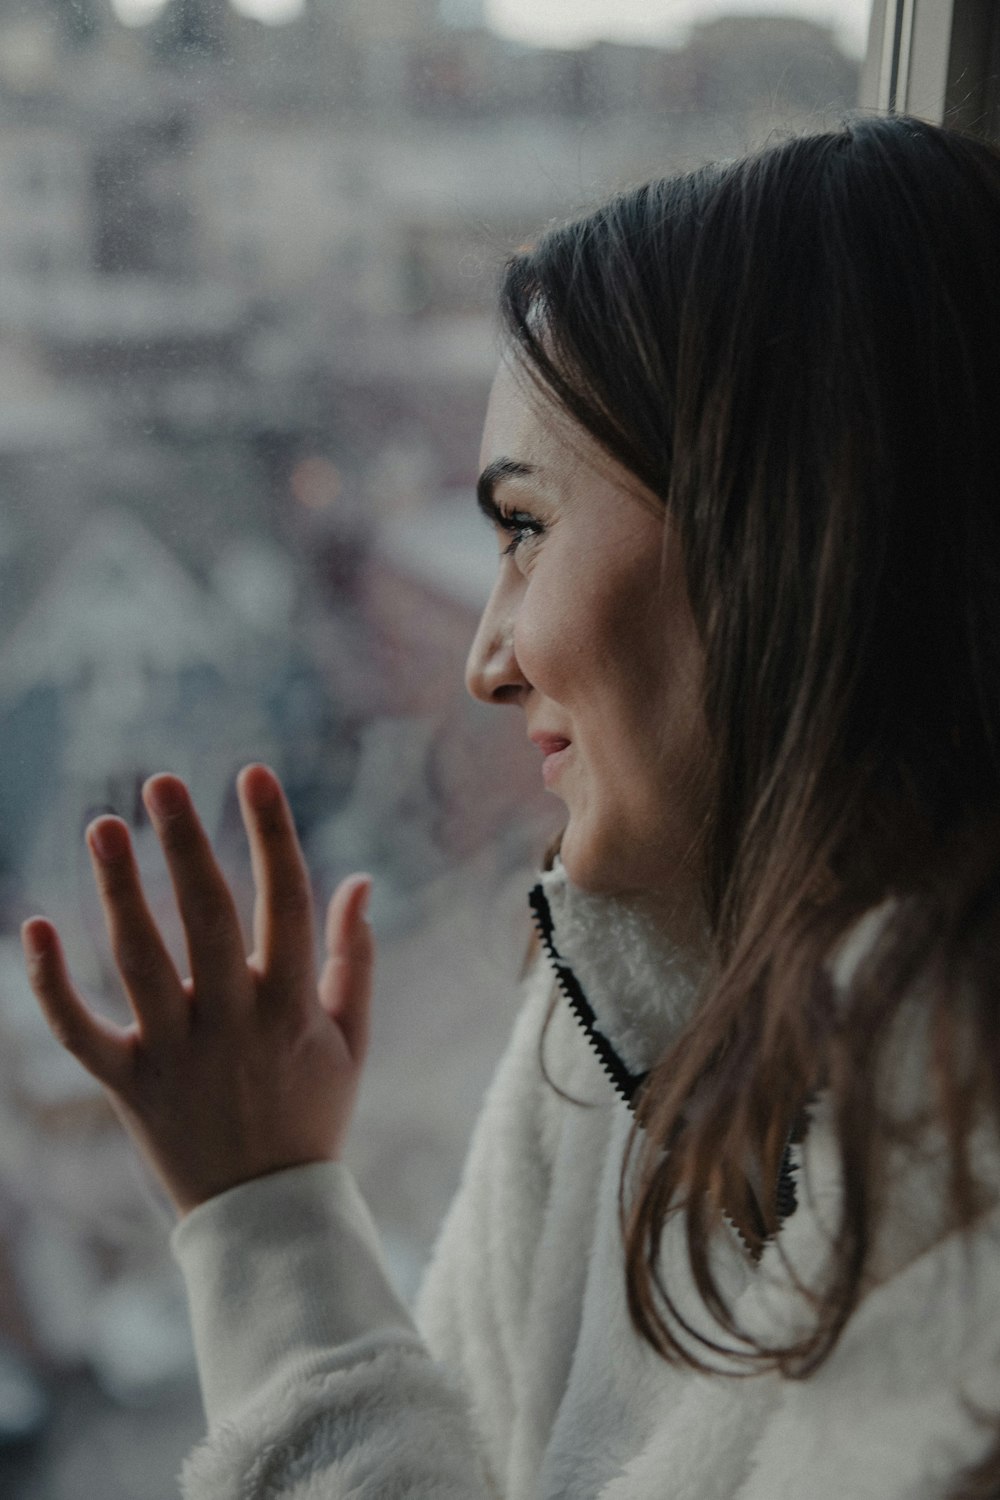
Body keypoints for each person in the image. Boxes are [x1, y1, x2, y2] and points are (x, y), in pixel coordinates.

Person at [19, 112, 1000, 1498]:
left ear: (778, 531)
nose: (485, 659)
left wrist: (264, 1224)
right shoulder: (607, 1039)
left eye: (526, 527)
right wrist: (268, 1195)